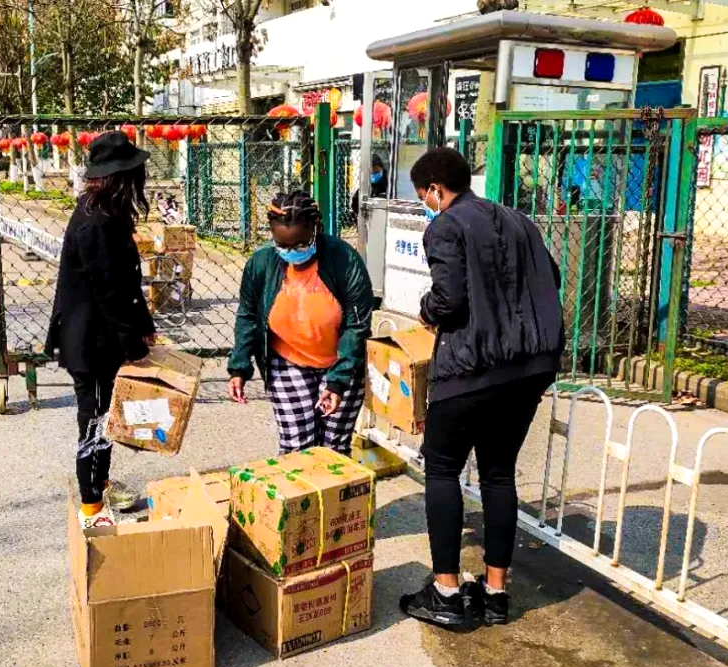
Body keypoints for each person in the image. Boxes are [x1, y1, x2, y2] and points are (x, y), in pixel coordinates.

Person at [399, 147, 564, 628]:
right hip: (530, 367)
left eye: (423, 195)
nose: (426, 204)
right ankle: (495, 594)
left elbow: (449, 300)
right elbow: (550, 277)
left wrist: (427, 310)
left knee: (442, 467)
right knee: (497, 473)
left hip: (474, 368)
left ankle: (446, 592)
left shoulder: (446, 226)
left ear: (435, 188)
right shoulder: (518, 221)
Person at [44, 131, 156, 529]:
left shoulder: (107, 212)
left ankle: (102, 483)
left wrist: (144, 326)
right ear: (120, 177)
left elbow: (126, 283)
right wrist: (134, 343)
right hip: (91, 343)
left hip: (102, 336)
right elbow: (110, 292)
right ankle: (91, 508)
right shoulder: (95, 221)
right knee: (94, 422)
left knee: (106, 418)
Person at [228, 190, 373, 455]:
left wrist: (337, 382)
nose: (292, 252)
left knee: (335, 449)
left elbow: (357, 325)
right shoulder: (261, 263)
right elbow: (247, 315)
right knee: (297, 448)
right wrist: (239, 367)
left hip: (341, 362)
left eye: (301, 245)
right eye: (283, 246)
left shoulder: (344, 260)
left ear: (315, 229)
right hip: (287, 361)